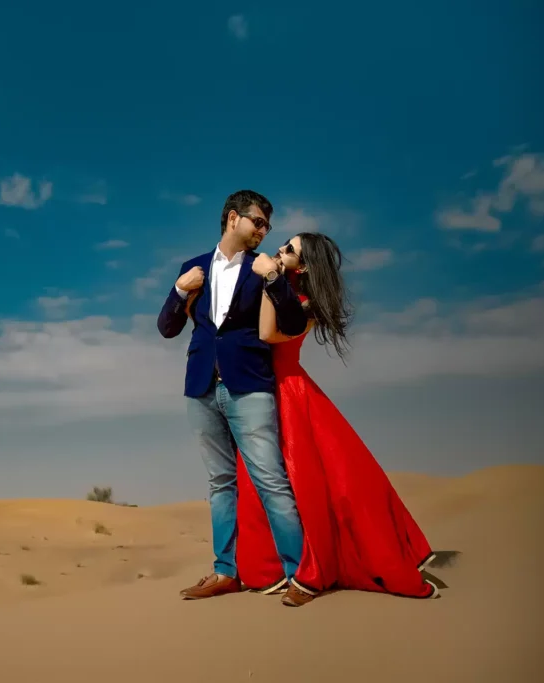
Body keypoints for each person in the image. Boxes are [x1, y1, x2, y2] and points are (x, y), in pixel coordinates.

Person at [230, 231, 440, 606]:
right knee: (254, 479)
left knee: (312, 483)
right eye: (283, 244)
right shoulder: (282, 287)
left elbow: (266, 334)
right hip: (259, 390)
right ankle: (267, 570)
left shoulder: (306, 304)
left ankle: (315, 572)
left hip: (290, 394)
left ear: (305, 264)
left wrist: (270, 280)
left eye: (289, 250)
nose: (280, 250)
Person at [157, 190, 312, 607]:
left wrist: (275, 279)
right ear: (232, 218)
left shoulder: (265, 268)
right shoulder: (193, 268)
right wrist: (177, 289)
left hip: (250, 385)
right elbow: (167, 329)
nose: (263, 231)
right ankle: (226, 571)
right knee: (220, 483)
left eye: (267, 226)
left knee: (270, 480)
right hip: (201, 386)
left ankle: (300, 574)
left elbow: (294, 321)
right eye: (258, 222)